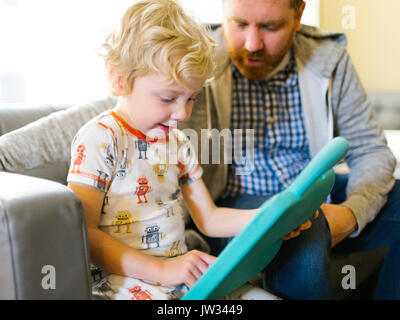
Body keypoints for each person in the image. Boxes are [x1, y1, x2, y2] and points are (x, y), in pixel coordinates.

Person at [0, 0, 399, 299]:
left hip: (203, 257)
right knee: (305, 242)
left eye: (271, 26)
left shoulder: (177, 134)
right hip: (139, 274)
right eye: (239, 23)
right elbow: (83, 225)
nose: (252, 42)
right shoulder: (115, 124)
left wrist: (287, 217)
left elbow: (207, 218)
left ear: (298, 16)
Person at [65, 0, 307, 300]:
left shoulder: (176, 142)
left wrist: (268, 218)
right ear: (119, 80)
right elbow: (82, 234)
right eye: (168, 99)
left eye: (191, 98)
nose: (182, 113)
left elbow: (210, 218)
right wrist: (163, 271)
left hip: (179, 279)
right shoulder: (101, 139)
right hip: (121, 284)